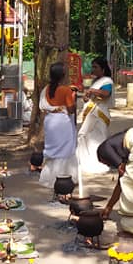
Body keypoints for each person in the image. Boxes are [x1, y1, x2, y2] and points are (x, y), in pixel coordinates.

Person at [38, 61, 78, 191]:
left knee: (52, 149)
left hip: (50, 121)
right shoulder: (66, 90)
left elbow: (43, 106)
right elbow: (71, 110)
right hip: (62, 122)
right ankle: (62, 178)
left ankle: (48, 178)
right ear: (62, 75)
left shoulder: (46, 89)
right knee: (64, 150)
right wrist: (74, 98)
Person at [77, 57, 115, 174]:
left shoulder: (107, 81)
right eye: (92, 67)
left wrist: (93, 91)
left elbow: (106, 94)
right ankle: (87, 159)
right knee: (87, 136)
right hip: (92, 112)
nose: (93, 69)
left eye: (95, 67)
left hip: (99, 113)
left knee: (92, 136)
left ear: (103, 69)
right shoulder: (96, 81)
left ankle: (97, 161)